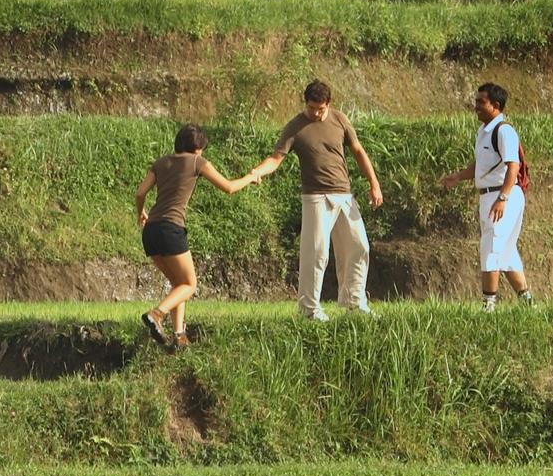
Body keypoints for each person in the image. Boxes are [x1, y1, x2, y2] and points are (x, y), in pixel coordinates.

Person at [131, 125, 274, 349]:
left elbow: (140, 193)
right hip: (171, 229)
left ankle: (179, 335)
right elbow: (228, 187)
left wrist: (141, 212)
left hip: (150, 231)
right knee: (190, 284)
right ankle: (156, 314)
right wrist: (250, 177)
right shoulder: (197, 162)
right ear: (198, 148)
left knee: (178, 283)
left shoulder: (161, 163)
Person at [260, 79, 383, 320]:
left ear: (329, 104)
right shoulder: (295, 127)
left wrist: (374, 183)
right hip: (316, 197)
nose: (315, 113)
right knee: (316, 253)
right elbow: (276, 158)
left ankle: (354, 302)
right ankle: (309, 308)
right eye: (311, 108)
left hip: (344, 194)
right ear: (305, 103)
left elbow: (358, 150)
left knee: (359, 246)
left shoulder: (339, 119)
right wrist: (257, 172)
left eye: (320, 109)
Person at [439, 81, 533, 309]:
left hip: (502, 196)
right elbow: (482, 165)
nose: (476, 106)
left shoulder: (504, 131)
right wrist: (459, 176)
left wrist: (502, 198)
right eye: (477, 101)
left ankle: (488, 306)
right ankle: (528, 302)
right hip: (489, 196)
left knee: (491, 246)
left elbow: (513, 166)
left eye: (482, 102)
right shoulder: (483, 132)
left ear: (496, 106)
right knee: (505, 252)